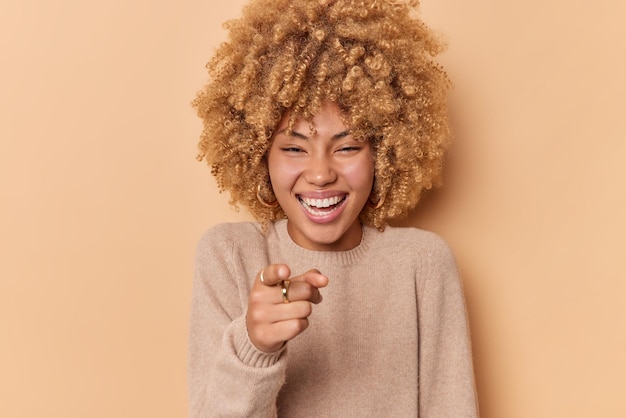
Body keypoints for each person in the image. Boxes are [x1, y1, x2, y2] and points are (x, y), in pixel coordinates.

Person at [189, 0, 478, 416]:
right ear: (258, 154)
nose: (320, 173)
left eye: (346, 146)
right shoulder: (229, 255)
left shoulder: (423, 264)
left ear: (384, 151)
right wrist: (255, 348)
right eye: (293, 148)